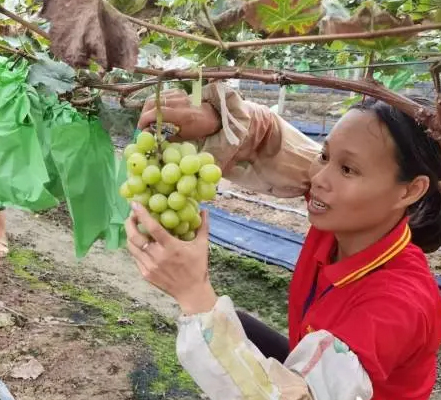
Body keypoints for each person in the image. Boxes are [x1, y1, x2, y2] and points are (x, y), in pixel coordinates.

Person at [126, 82, 441, 400]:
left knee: (217, 333)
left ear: (410, 190)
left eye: (347, 168)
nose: (318, 178)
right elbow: (272, 141)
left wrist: (193, 293)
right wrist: (215, 118)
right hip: (314, 360)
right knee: (235, 327)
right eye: (325, 155)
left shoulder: (398, 305)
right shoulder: (347, 218)